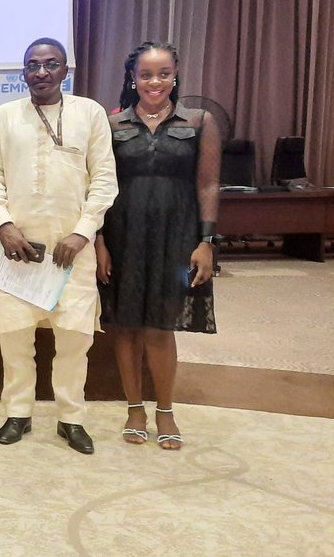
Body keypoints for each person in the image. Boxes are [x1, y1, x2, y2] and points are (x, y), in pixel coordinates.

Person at [0, 38, 117, 455]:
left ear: (65, 71)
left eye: (50, 64)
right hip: (18, 250)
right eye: (33, 65)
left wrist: (82, 232)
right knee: (15, 337)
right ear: (23, 73)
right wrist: (3, 225)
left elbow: (104, 180)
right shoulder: (5, 116)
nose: (41, 72)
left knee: (74, 339)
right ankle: (17, 413)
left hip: (72, 252)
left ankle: (71, 418)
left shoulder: (90, 113)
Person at [96, 41, 220, 451]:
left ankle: (165, 409)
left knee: (160, 328)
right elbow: (100, 187)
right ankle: (135, 409)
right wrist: (99, 241)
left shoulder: (199, 121)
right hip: (123, 235)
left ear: (175, 75)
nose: (155, 82)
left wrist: (206, 241)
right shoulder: (112, 125)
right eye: (146, 74)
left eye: (163, 74)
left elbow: (208, 184)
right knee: (126, 326)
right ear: (133, 78)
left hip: (176, 237)